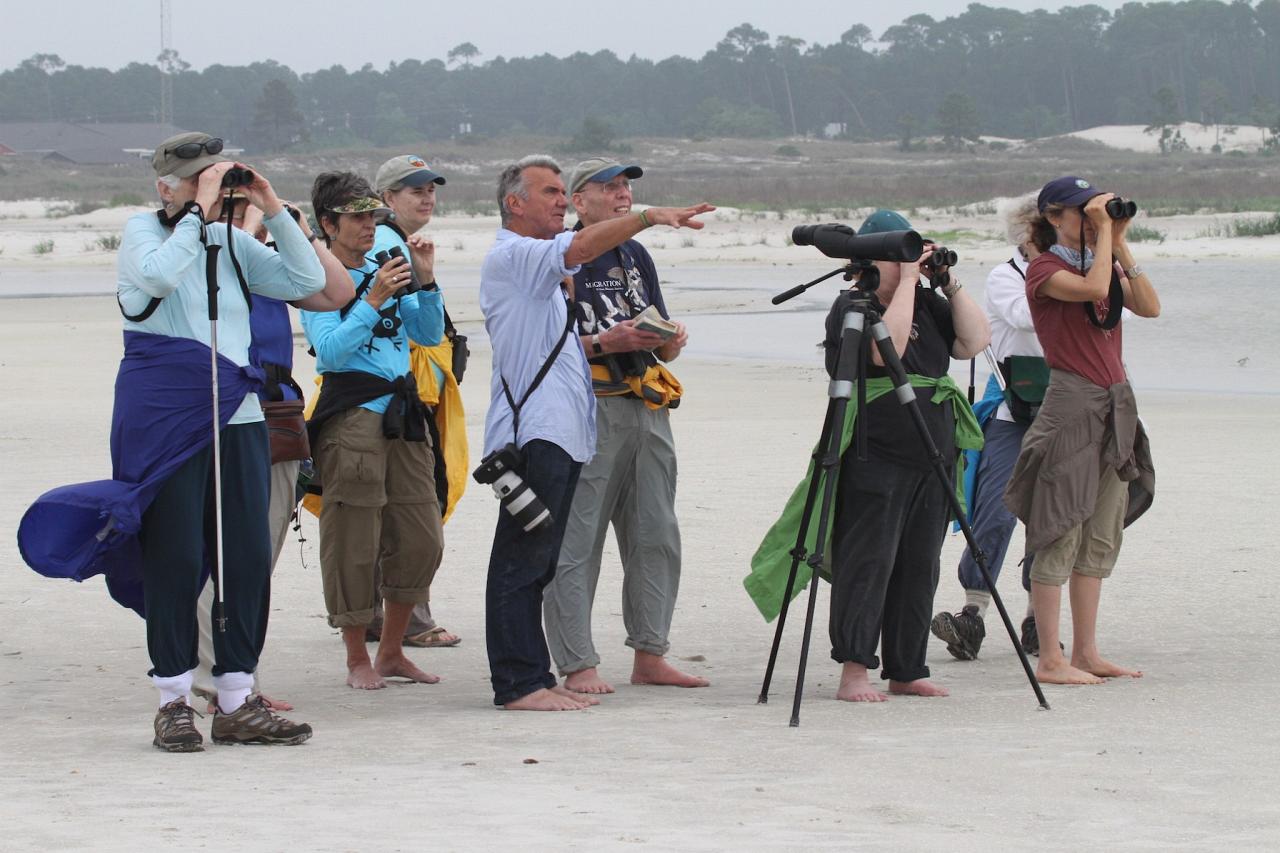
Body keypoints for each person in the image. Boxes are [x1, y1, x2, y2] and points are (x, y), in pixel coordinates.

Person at [480, 154, 712, 711]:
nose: (562, 201)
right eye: (555, 192)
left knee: (632, 539)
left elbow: (555, 343)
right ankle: (538, 676)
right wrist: (654, 215)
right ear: (518, 202)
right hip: (548, 424)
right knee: (543, 554)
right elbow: (575, 257)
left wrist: (656, 341)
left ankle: (567, 669)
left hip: (593, 417)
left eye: (564, 191)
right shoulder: (526, 256)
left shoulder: (604, 259)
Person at [116, 131, 322, 750]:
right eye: (198, 177)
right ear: (165, 187)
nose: (213, 186)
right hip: (167, 420)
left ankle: (237, 696)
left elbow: (304, 279)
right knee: (175, 556)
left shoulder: (232, 243)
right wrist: (199, 217)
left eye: (219, 176)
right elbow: (156, 280)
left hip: (239, 417)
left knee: (246, 559)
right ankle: (174, 699)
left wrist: (274, 206)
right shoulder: (142, 231)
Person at [807, 209, 990, 703]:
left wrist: (946, 282)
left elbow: (974, 341)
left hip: (932, 451)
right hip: (876, 451)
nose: (906, 262)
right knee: (869, 561)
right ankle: (854, 669)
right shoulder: (853, 306)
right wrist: (907, 281)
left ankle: (907, 667)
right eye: (896, 255)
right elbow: (883, 354)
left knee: (919, 562)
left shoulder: (927, 304)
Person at [542, 157, 708, 694]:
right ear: (577, 200)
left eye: (625, 187)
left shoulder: (635, 253)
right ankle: (577, 661)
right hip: (588, 409)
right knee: (578, 538)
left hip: (647, 406)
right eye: (607, 187)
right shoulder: (559, 256)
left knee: (656, 533)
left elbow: (655, 339)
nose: (621, 195)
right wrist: (603, 342)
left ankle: (650, 652)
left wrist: (669, 342)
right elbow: (540, 346)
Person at [190, 196, 355, 712]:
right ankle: (215, 681)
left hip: (278, 419)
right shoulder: (206, 261)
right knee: (215, 555)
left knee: (259, 554)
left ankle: (240, 674)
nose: (247, 221)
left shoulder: (269, 267)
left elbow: (337, 291)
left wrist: (296, 230)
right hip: (220, 418)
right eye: (233, 211)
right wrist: (244, 225)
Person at [1004, 176, 1159, 686]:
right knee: (1058, 526)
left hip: (1116, 404)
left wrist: (1119, 240)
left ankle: (1088, 651)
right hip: (1072, 404)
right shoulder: (1044, 269)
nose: (1092, 221)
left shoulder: (1104, 260)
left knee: (1099, 530)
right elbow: (1093, 291)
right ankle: (1051, 657)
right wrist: (1105, 240)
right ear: (1052, 217)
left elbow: (1150, 307)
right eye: (1081, 214)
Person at [300, 171, 446, 690]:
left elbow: (428, 334)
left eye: (372, 216)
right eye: (357, 217)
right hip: (353, 416)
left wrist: (425, 280)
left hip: (403, 414)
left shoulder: (387, 266)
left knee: (421, 535)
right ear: (328, 224)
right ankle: (356, 657)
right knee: (353, 540)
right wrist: (373, 300)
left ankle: (391, 651)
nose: (369, 226)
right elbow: (330, 353)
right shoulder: (317, 278)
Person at [930, 195, 1046, 660]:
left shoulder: (1078, 275)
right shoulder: (1006, 277)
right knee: (995, 512)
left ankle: (1039, 620)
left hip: (1065, 408)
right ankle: (972, 614)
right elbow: (1026, 319)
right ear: (1029, 234)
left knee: (1051, 517)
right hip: (1012, 413)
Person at [364, 154, 466, 649]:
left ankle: (369, 615)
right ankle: (412, 620)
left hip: (388, 389)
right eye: (413, 190)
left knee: (378, 508)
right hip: (402, 393)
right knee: (416, 507)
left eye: (430, 188)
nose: (426, 197)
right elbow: (415, 327)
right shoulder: (389, 245)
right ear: (387, 199)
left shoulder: (385, 240)